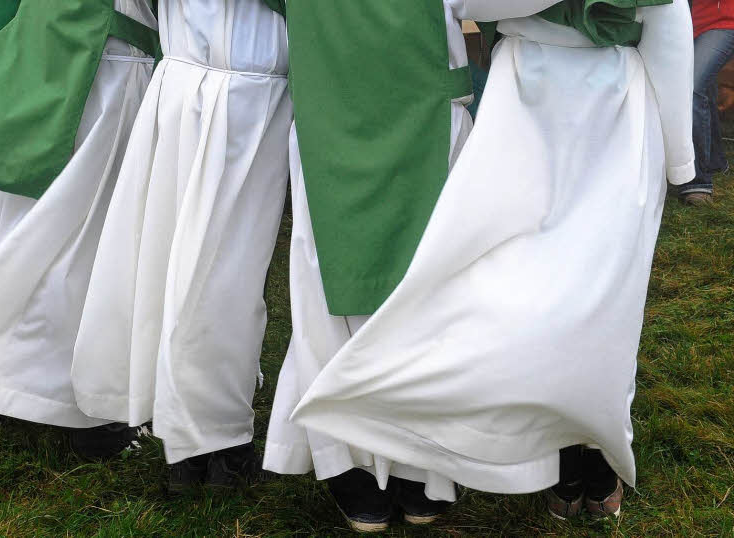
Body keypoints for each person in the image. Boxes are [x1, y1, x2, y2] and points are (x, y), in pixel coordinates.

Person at [282, 0, 693, 523]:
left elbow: (670, 23)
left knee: (588, 284)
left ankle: (590, 447)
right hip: (536, 99)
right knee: (554, 285)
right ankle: (567, 449)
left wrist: (678, 154)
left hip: (580, 97)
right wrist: (679, 158)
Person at [0, 0, 159, 459]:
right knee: (86, 238)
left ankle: (2, 372)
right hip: (99, 57)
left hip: (61, 50)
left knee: (38, 227)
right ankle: (75, 402)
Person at [261, 1, 475, 531]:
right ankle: (347, 458)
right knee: (330, 282)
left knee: (427, 290)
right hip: (333, 96)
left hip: (421, 96)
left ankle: (422, 460)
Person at [71, 0, 293, 491]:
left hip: (259, 90)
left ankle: (210, 431)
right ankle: (185, 428)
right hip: (183, 80)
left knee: (224, 272)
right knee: (160, 257)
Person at [679, 0, 734, 205]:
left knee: (692, 89)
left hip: (726, 22)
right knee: (705, 90)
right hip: (694, 23)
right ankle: (715, 161)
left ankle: (697, 182)